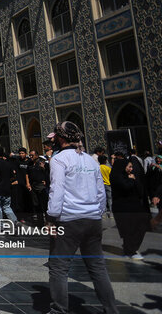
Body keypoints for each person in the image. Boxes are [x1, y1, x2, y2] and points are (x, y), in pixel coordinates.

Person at [46, 121, 117, 314]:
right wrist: (97, 212)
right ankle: (111, 309)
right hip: (93, 220)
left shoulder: (59, 160)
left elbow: (57, 190)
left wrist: (51, 218)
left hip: (68, 220)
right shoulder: (90, 160)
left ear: (60, 138)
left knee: (59, 267)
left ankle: (59, 310)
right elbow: (100, 191)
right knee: (97, 267)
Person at [110, 154, 150, 259]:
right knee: (128, 229)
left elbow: (139, 190)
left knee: (140, 225)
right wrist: (131, 180)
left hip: (133, 206)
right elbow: (126, 187)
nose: (131, 169)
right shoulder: (116, 176)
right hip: (122, 208)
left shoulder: (128, 176)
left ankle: (130, 249)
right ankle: (130, 251)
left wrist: (133, 180)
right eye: (129, 167)